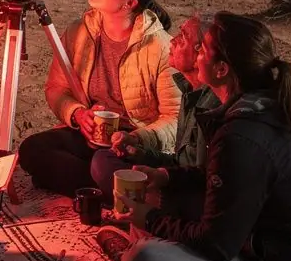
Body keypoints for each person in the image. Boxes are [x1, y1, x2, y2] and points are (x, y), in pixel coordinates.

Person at [110, 13, 291, 261]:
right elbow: (233, 180)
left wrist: (150, 219)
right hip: (270, 251)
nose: (195, 54)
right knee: (160, 196)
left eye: (202, 50)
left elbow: (217, 244)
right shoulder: (263, 109)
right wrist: (167, 176)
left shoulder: (245, 134)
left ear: (222, 69)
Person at [18, 0, 180, 196]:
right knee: (32, 149)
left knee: (101, 164)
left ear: (129, 3)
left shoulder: (160, 47)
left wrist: (135, 138)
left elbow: (175, 118)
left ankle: (98, 184)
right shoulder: (78, 32)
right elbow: (56, 88)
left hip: (133, 146)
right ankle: (116, 188)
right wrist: (78, 114)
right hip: (91, 138)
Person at [90, 13, 220, 212]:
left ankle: (141, 206)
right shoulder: (190, 93)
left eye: (183, 37)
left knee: (104, 166)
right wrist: (140, 154)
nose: (173, 40)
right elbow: (179, 162)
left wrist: (157, 173)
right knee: (103, 158)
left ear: (200, 55)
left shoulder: (210, 107)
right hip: (176, 179)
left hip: (190, 197)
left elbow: (199, 179)